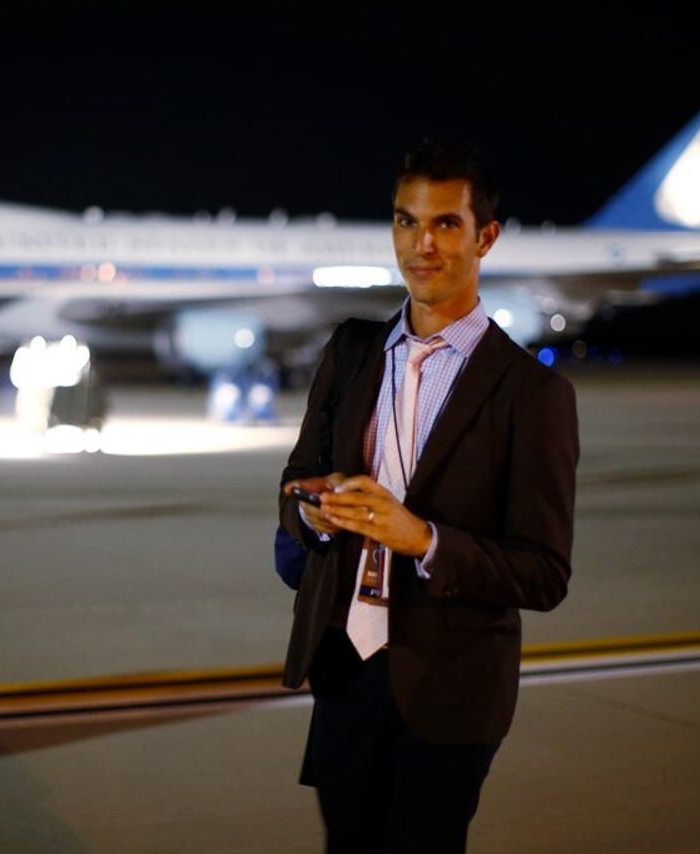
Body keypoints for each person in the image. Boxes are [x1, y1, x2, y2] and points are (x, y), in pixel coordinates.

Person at [279, 140, 579, 852]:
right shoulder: (349, 354)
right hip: (344, 668)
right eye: (406, 223)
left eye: (446, 224)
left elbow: (544, 573)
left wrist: (423, 540)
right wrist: (313, 515)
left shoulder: (531, 393)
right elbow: (290, 495)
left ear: (486, 237)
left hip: (450, 689)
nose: (423, 245)